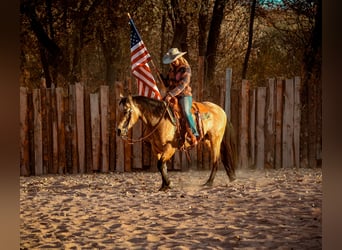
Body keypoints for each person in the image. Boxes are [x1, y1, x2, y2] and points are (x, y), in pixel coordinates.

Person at [161, 48, 200, 146]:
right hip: (173, 95)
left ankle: (194, 133)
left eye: (174, 60)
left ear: (179, 58)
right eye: (171, 61)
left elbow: (182, 85)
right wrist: (162, 78)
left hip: (184, 95)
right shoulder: (171, 70)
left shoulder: (186, 69)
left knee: (186, 112)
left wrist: (170, 94)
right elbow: (168, 84)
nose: (173, 63)